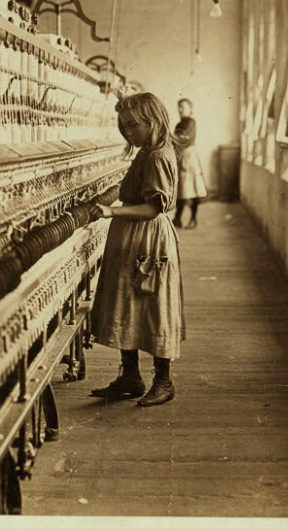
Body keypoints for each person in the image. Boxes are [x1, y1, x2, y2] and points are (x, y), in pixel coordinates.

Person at [87, 93, 187, 407]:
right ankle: (130, 376)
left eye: (134, 125)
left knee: (154, 307)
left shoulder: (157, 156)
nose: (129, 132)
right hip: (134, 239)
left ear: (153, 121)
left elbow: (153, 208)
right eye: (124, 126)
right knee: (127, 304)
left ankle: (164, 380)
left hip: (147, 238)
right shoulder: (148, 150)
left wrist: (110, 212)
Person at [170, 98, 209, 229]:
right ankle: (178, 218)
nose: (180, 109)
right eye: (179, 106)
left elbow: (183, 139)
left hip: (188, 157)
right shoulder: (178, 124)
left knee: (193, 189)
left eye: (183, 107)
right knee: (181, 189)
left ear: (190, 109)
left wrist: (170, 137)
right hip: (181, 157)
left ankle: (193, 219)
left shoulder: (191, 122)